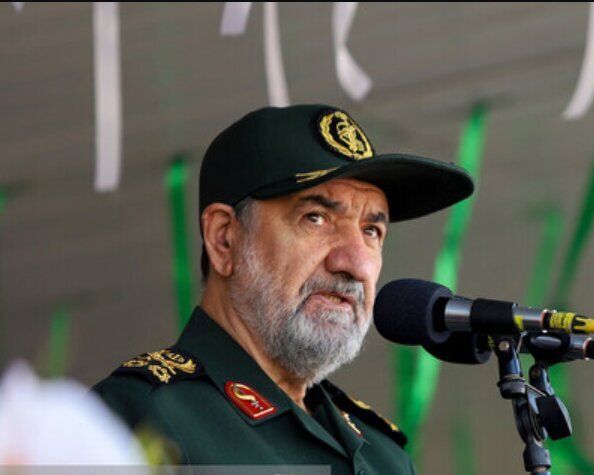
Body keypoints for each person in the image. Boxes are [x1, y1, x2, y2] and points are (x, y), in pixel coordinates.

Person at [93, 104, 474, 473]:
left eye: (371, 231)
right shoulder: (140, 415)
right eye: (316, 218)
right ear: (224, 239)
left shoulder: (385, 457)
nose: (356, 264)